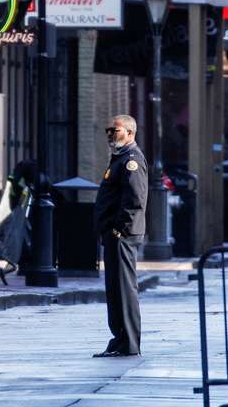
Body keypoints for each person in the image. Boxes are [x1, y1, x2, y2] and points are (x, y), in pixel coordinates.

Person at [92, 114, 149, 358]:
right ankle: (119, 339)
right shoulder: (119, 158)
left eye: (115, 130)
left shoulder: (131, 160)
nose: (110, 134)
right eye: (108, 130)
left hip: (123, 235)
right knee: (115, 289)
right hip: (114, 234)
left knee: (124, 289)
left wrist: (119, 229)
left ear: (130, 133)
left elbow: (135, 198)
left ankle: (129, 343)